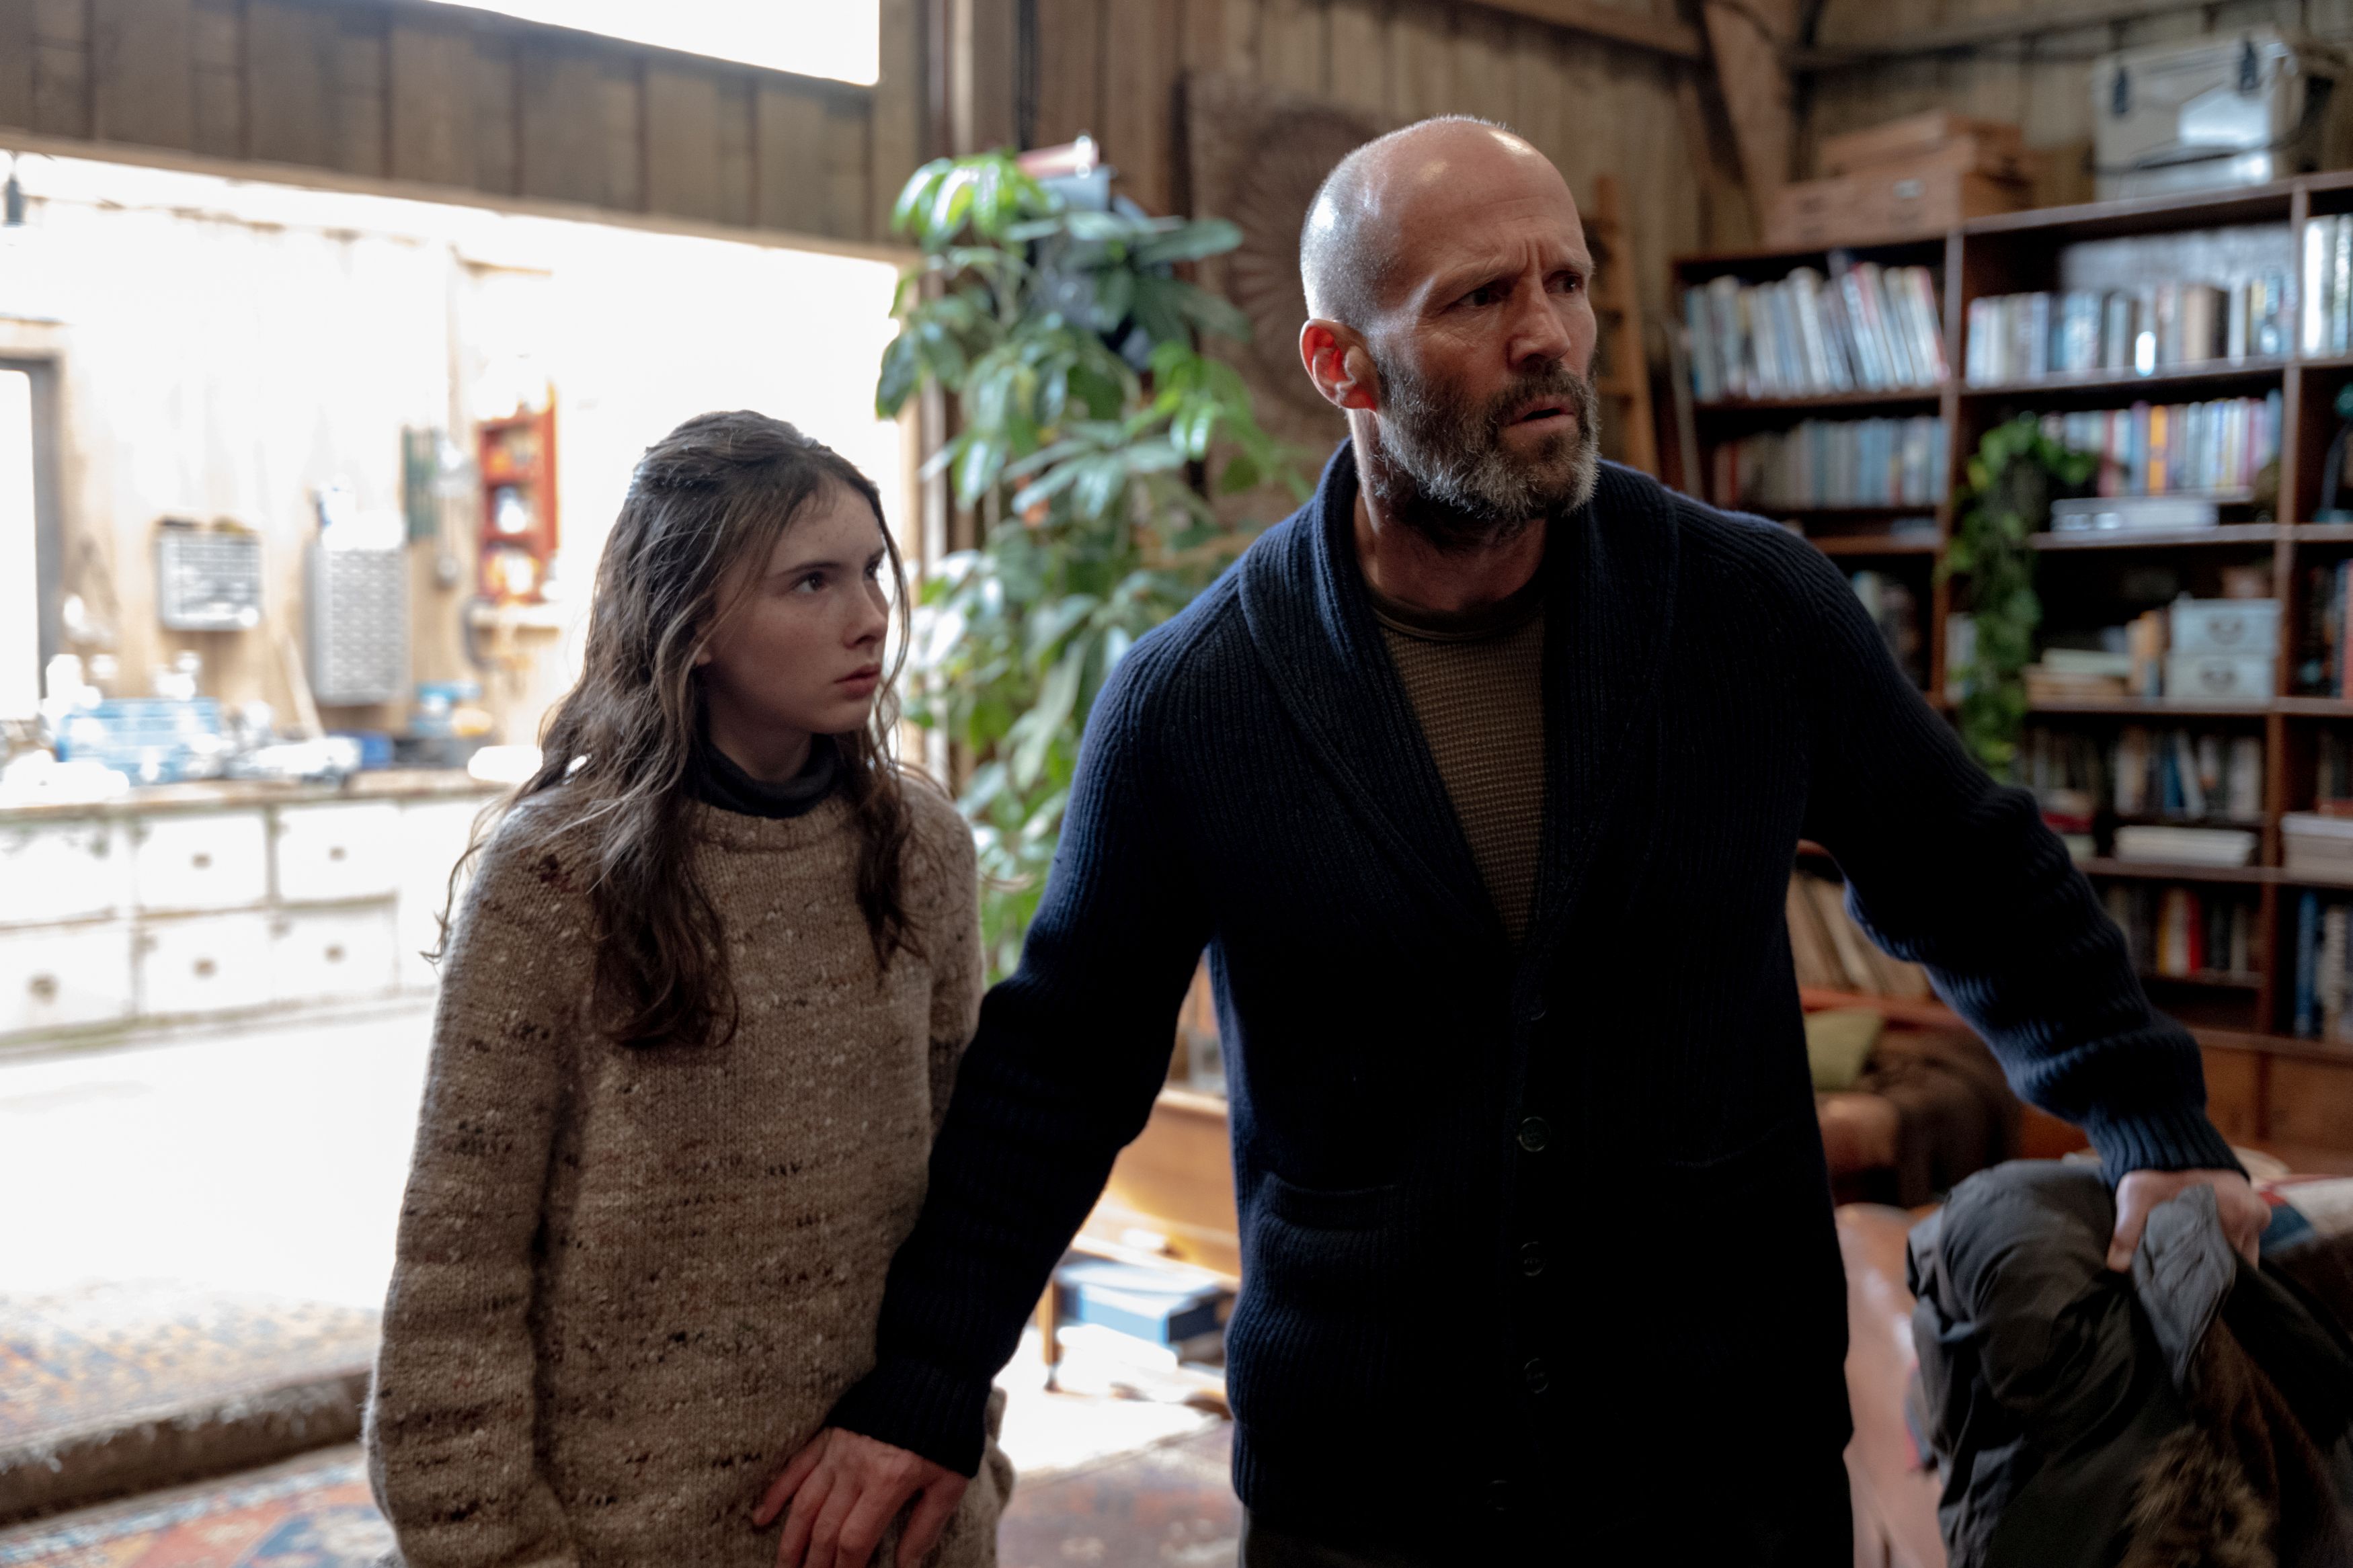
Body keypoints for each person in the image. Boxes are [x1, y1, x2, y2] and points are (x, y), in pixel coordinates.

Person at [760, 119, 2272, 1565]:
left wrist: (2146, 1116)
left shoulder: (1752, 613)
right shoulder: (1197, 698)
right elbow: (1063, 1061)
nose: (1547, 334)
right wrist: (928, 1381)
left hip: (1723, 1466)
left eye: (1566, 282)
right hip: (1366, 1490)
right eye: (1479, 298)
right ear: (1340, 365)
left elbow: (1973, 871)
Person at [364, 411, 1011, 1568]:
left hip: (894, 1519)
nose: (869, 616)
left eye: (872, 571)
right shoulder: (555, 878)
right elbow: (459, 1271)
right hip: (626, 1531)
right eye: (811, 581)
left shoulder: (921, 849)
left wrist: (965, 1437)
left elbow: (968, 1196)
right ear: (694, 622)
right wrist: (494, 1546)